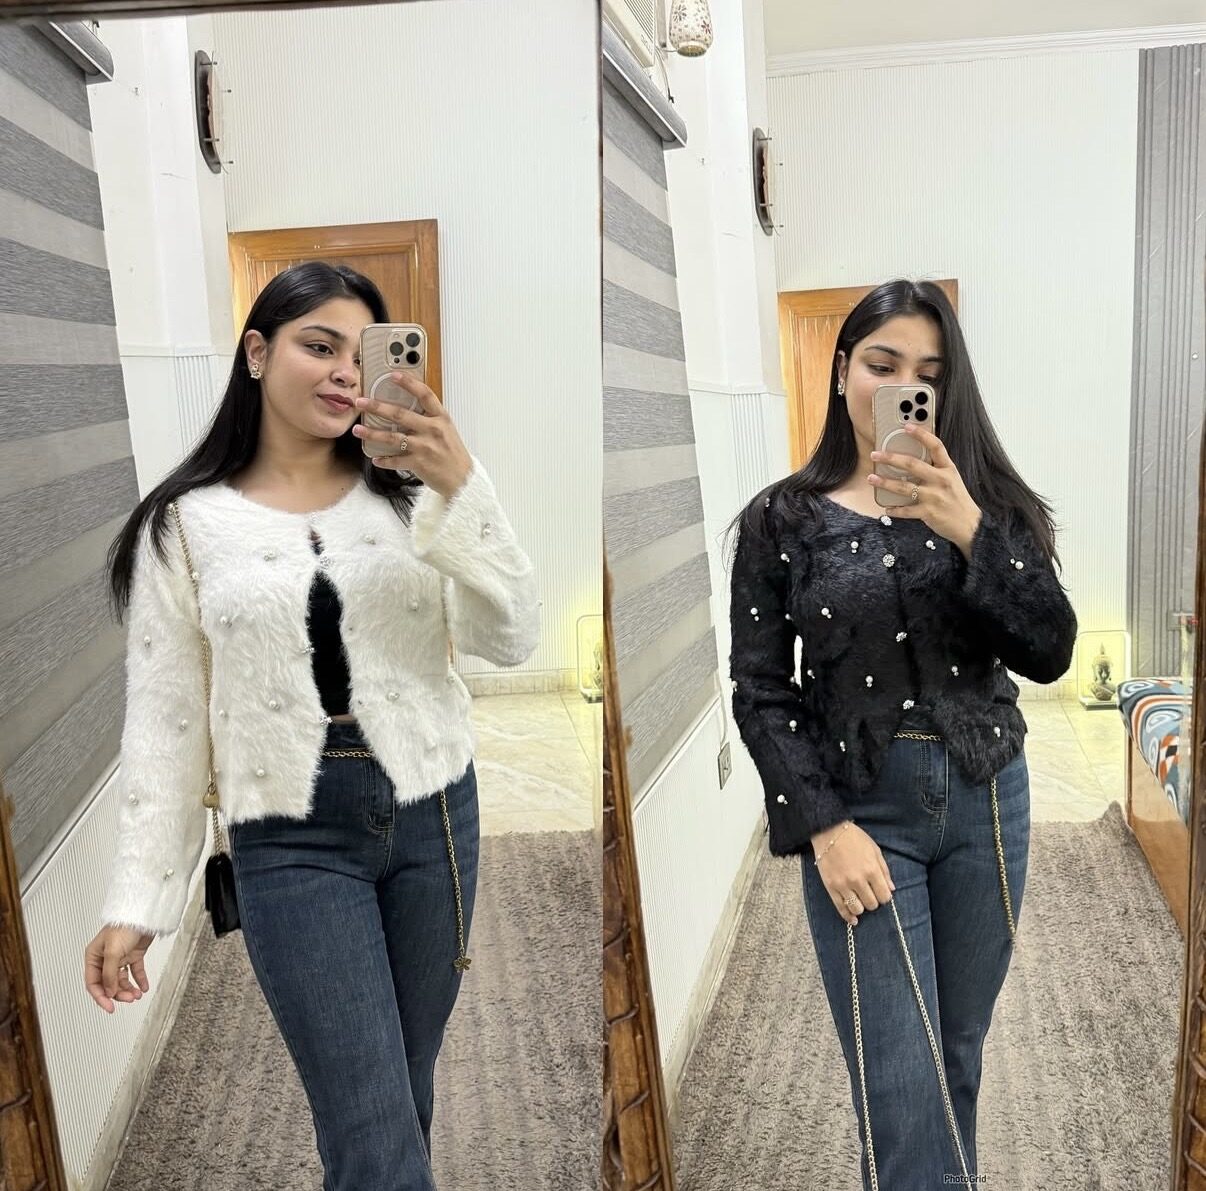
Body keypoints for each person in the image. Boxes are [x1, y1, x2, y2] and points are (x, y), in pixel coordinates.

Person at [83, 261, 540, 1191]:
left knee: (403, 1086)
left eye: (359, 354)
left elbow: (511, 638)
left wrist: (463, 486)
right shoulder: (185, 526)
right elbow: (167, 722)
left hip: (434, 813)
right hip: (290, 835)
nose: (342, 372)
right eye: (317, 345)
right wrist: (138, 899)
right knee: (367, 1118)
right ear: (257, 353)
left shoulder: (411, 496)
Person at [728, 279, 1076, 1190]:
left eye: (927, 372)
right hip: (860, 811)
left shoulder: (986, 503)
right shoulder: (780, 518)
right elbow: (761, 689)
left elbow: (1050, 649)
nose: (903, 386)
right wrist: (823, 828)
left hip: (988, 805)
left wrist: (969, 529)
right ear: (843, 369)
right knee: (898, 1079)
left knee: (954, 1053)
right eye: (882, 364)